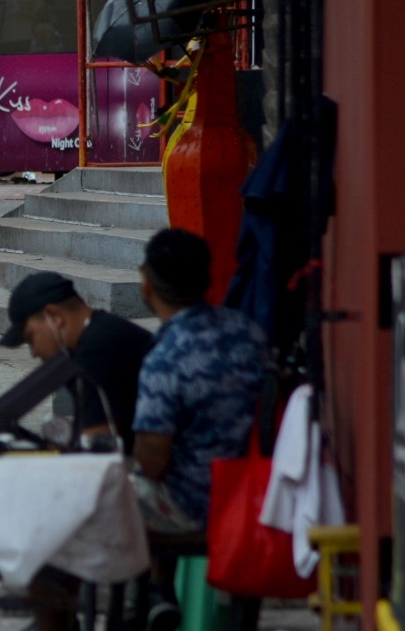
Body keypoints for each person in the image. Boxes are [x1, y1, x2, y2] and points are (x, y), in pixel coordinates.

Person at [132, 228, 266, 630]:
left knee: (104, 494)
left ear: (147, 286)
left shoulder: (166, 355)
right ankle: (160, 589)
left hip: (196, 504)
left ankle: (150, 594)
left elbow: (153, 462)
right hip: (254, 492)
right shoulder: (249, 334)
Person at [0, 271, 153, 454]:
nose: (34, 352)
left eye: (31, 338)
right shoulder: (98, 333)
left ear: (54, 316)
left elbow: (96, 454)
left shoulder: (96, 351)